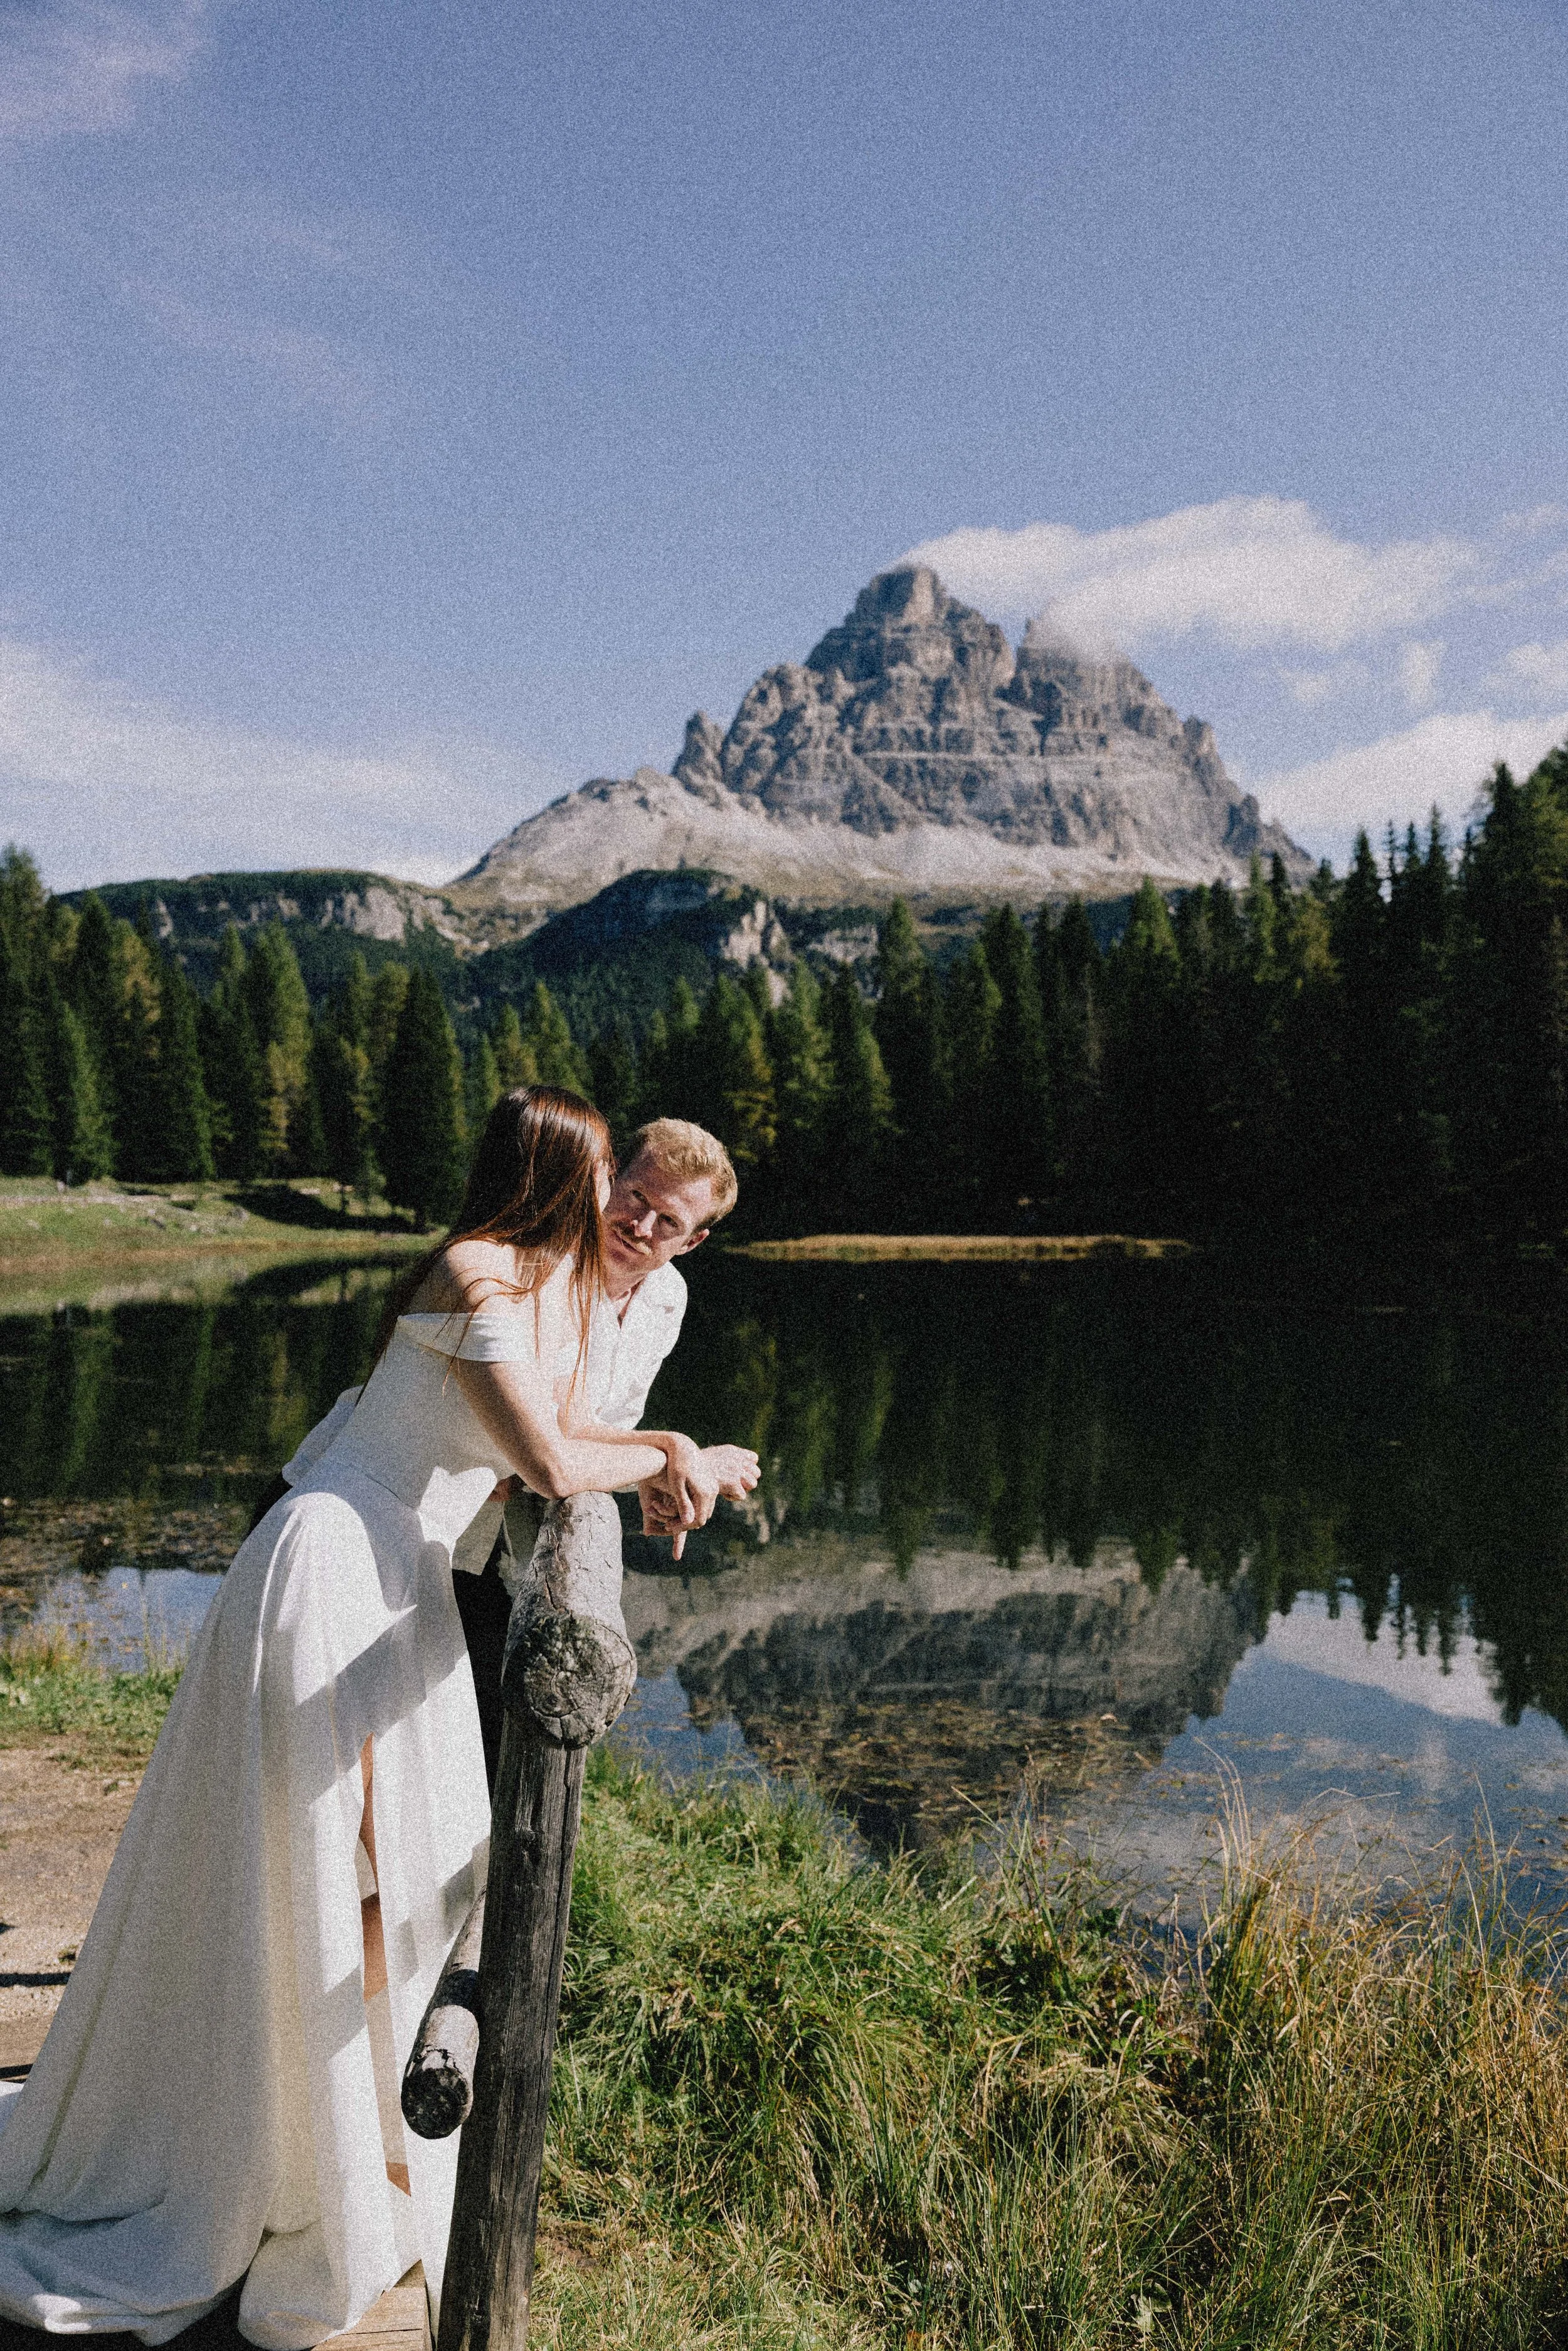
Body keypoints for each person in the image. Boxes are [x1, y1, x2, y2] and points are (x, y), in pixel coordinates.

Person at [0, 1088, 753, 2350]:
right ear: (566, 1177)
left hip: (396, 1569)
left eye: (647, 1207)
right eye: (606, 1182)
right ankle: (261, 2139)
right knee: (310, 1842)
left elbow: (563, 1434)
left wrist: (669, 1446)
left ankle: (319, 2124)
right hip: (336, 1561)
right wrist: (687, 1452)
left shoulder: (526, 1273)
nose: (618, 1211)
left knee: (389, 1853)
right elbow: (553, 1465)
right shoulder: (476, 1276)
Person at [279, 1118, 756, 1790]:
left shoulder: (667, 1300)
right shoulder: (539, 1263)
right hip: (384, 1521)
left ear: (693, 1240)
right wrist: (673, 1457)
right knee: (341, 1755)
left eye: (668, 1220)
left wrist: (667, 1460)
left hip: (472, 1542)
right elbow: (543, 1449)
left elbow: (590, 1427)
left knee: (448, 1757)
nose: (641, 1224)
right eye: (635, 1197)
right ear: (610, 1178)